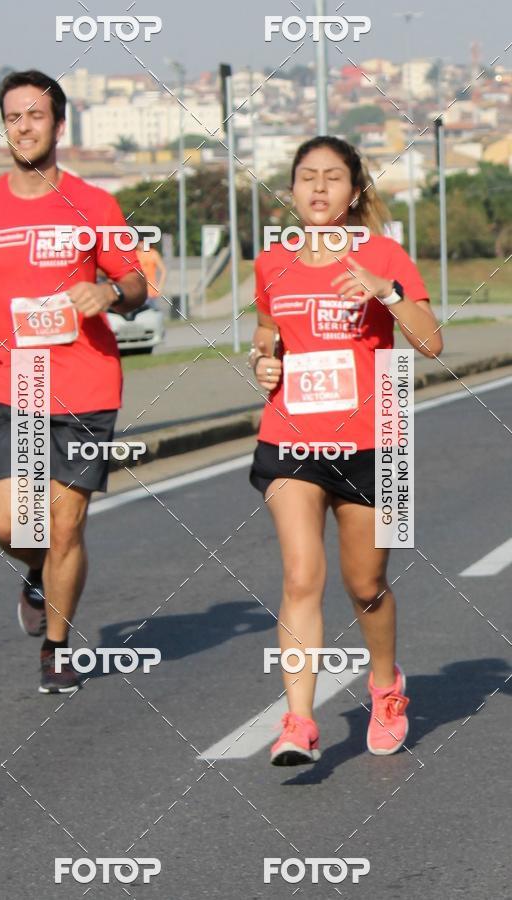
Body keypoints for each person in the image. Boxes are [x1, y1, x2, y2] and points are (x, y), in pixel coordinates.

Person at [0, 70, 147, 693]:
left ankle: (57, 647)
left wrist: (108, 290)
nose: (23, 126)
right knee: (12, 526)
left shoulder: (96, 204)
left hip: (87, 384)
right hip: (12, 378)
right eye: (12, 116)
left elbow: (137, 285)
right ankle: (35, 574)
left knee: (66, 525)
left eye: (35, 115)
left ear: (59, 126)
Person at [248, 136, 443, 763]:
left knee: (367, 584)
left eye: (334, 178)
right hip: (291, 437)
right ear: (293, 188)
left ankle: (386, 686)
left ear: (355, 191)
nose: (320, 188)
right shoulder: (270, 262)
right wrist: (263, 363)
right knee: (302, 574)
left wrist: (386, 292)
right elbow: (266, 333)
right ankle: (299, 722)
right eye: (308, 177)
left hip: (374, 440)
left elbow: (431, 342)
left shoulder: (385, 254)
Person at [135, 239, 167, 311]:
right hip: (138, 292)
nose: (140, 244)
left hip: (150, 293)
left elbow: (163, 270)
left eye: (141, 242)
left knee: (150, 314)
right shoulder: (135, 254)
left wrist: (160, 287)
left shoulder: (153, 254)